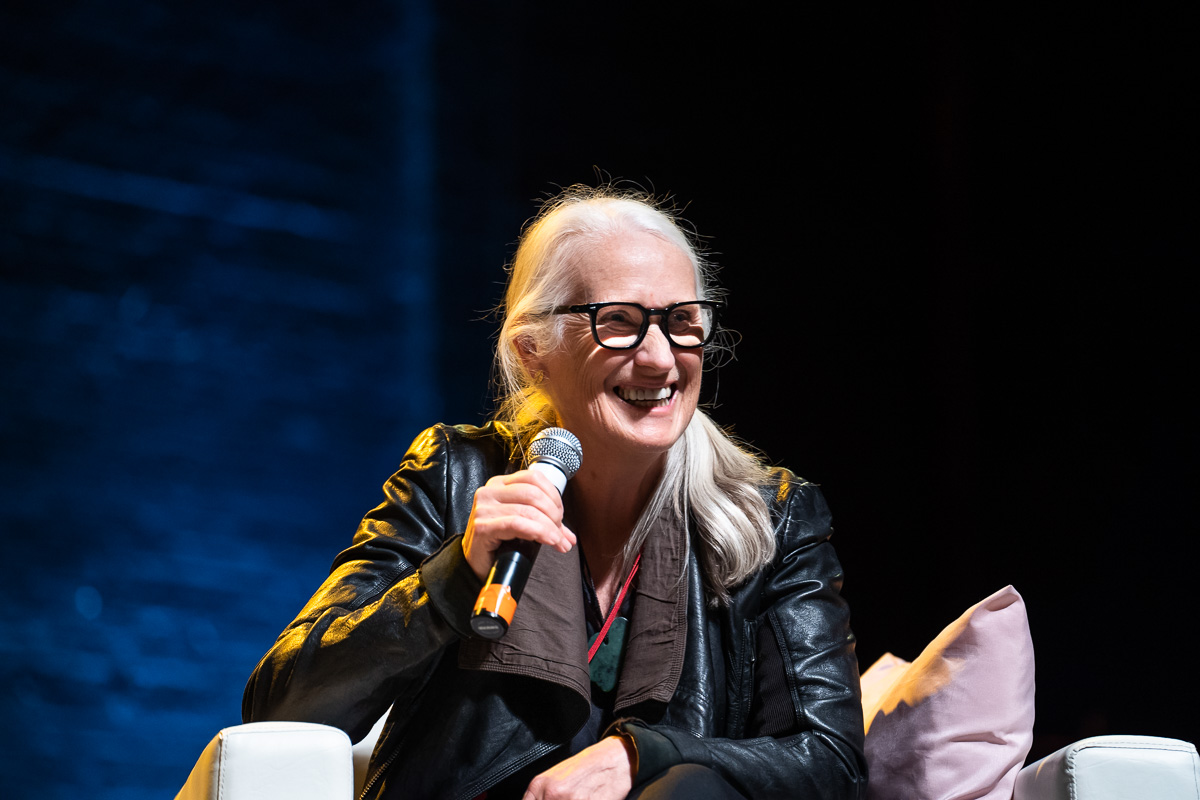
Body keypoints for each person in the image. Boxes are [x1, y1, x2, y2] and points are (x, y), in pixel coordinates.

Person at [243, 186, 867, 799]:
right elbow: (281, 707)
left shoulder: (773, 516)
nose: (660, 358)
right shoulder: (457, 477)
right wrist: (452, 579)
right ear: (533, 352)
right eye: (618, 321)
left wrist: (645, 755)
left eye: (681, 322)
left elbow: (831, 762)